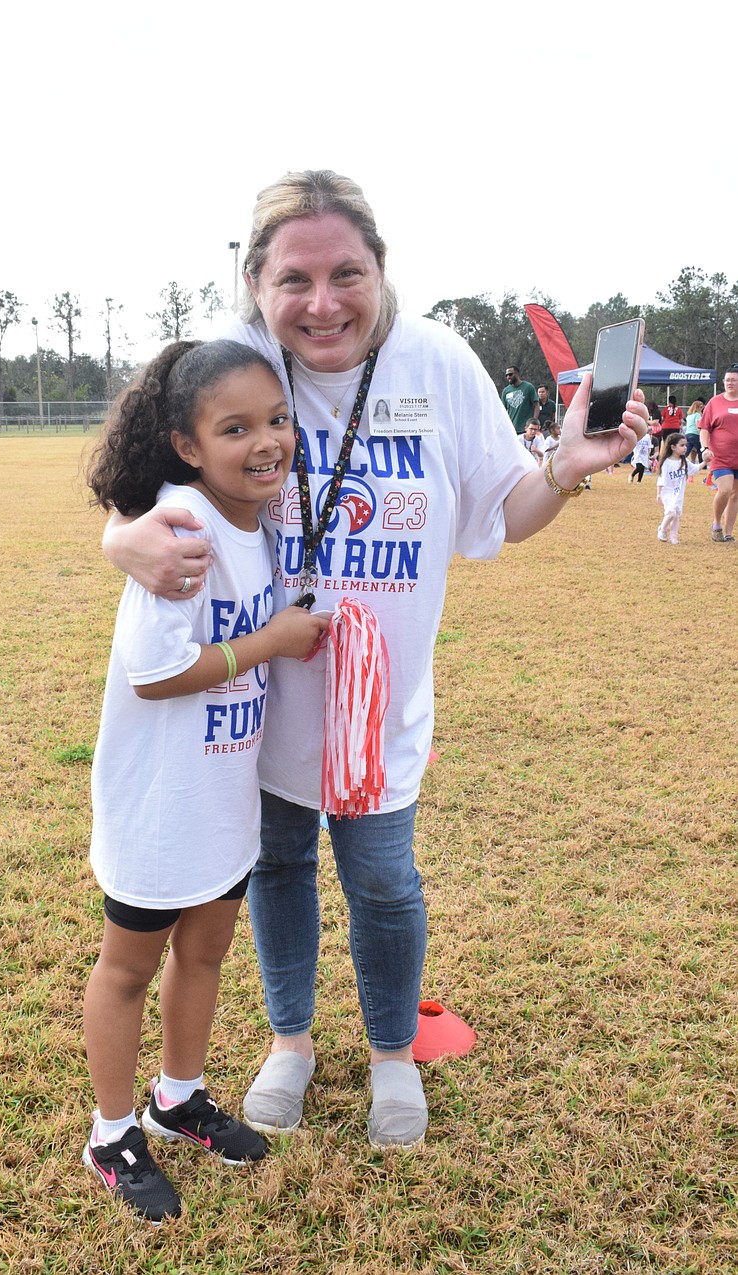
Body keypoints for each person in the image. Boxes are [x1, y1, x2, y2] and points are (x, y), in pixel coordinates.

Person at [102, 170, 647, 1151]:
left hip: (379, 713)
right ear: (255, 283)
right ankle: (291, 1045)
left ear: (381, 270)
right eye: (295, 279)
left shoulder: (436, 362)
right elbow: (140, 478)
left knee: (384, 885)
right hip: (260, 712)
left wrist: (563, 469)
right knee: (276, 871)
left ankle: (393, 1056)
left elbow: (501, 511)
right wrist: (118, 537)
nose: (323, 303)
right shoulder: (236, 364)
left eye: (345, 273)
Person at [81, 339, 329, 1222]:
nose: (266, 442)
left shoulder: (257, 519)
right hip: (159, 804)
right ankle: (112, 1134)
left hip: (223, 792)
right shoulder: (183, 525)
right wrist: (272, 643)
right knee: (127, 969)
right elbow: (156, 672)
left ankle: (177, 1098)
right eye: (236, 428)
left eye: (276, 421)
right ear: (188, 445)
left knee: (207, 951)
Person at [700, 364, 738, 543]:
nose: (730, 383)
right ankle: (716, 524)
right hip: (720, 456)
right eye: (727, 380)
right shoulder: (715, 402)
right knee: (724, 490)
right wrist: (704, 448)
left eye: (734, 380)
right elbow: (704, 428)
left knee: (735, 494)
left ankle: (728, 532)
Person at [656, 432, 700, 544]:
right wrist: (658, 494)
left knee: (677, 515)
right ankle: (662, 529)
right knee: (671, 512)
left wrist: (706, 462)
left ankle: (674, 537)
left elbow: (695, 468)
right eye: (682, 445)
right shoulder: (666, 462)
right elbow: (661, 480)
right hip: (667, 492)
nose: (685, 448)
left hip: (679, 493)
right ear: (673, 447)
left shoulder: (684, 461)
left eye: (685, 445)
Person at [501, 366, 539, 434]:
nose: (508, 377)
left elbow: (536, 405)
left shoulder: (528, 387)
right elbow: (502, 410)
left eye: (510, 374)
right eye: (506, 375)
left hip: (526, 429)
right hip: (511, 429)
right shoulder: (506, 391)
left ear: (517, 374)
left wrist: (533, 421)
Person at [685, 398, 705, 464]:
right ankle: (702, 464)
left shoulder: (689, 415)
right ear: (698, 407)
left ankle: (681, 460)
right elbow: (698, 426)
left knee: (687, 449)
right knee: (700, 449)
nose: (702, 408)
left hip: (688, 434)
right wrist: (701, 435)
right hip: (695, 434)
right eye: (701, 407)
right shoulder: (697, 415)